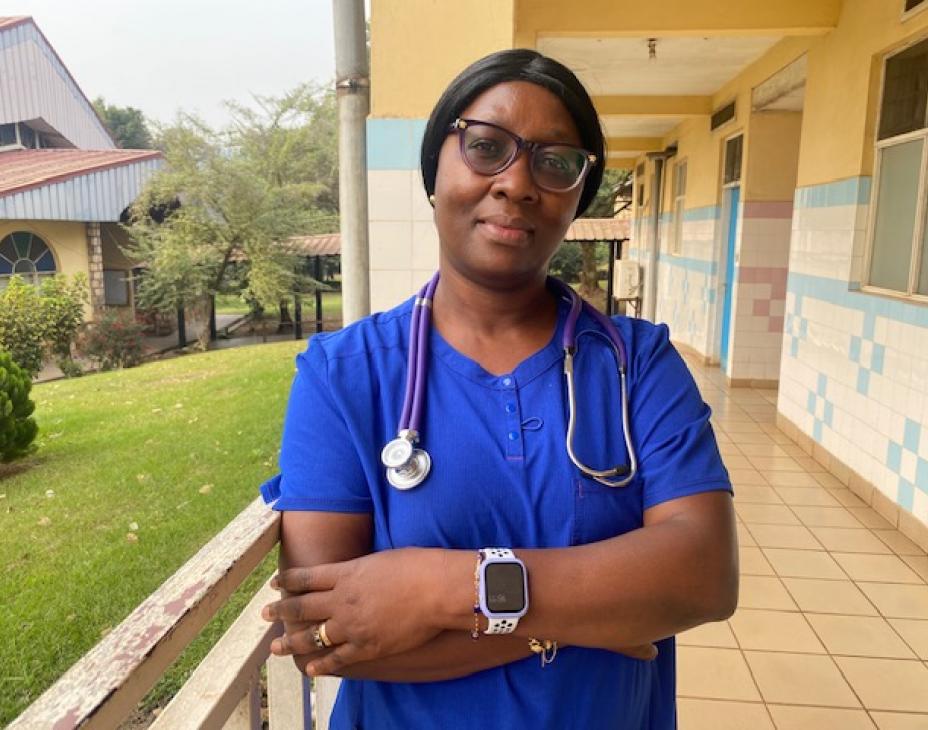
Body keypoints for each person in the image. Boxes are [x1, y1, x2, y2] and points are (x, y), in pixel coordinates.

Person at [260, 49, 738, 730]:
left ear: (579, 193)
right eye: (486, 147)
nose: (516, 183)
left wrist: (437, 588)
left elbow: (704, 576)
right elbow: (329, 636)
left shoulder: (639, 363)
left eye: (555, 161)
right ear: (435, 172)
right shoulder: (344, 375)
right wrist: (583, 620)